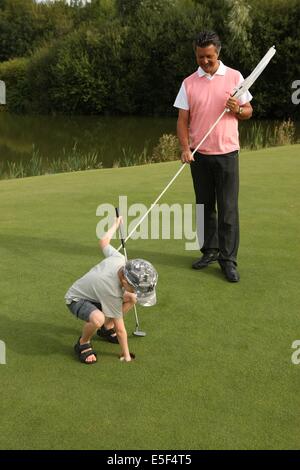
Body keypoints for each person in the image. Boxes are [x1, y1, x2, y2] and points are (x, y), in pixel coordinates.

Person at [174, 31, 253, 282]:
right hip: (199, 155)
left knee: (228, 209)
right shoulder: (188, 83)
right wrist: (185, 148)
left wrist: (237, 109)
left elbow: (249, 110)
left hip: (227, 153)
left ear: (217, 52)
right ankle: (209, 251)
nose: (204, 61)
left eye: (208, 56)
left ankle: (228, 260)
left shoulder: (235, 77)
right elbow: (182, 120)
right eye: (200, 57)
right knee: (204, 207)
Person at [65, 217, 158, 364]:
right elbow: (120, 330)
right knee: (98, 319)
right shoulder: (112, 292)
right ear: (124, 281)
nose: (135, 291)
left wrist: (116, 224)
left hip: (97, 294)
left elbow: (103, 242)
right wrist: (126, 355)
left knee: (131, 299)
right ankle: (83, 343)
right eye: (135, 288)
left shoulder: (120, 259)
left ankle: (106, 329)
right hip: (77, 299)